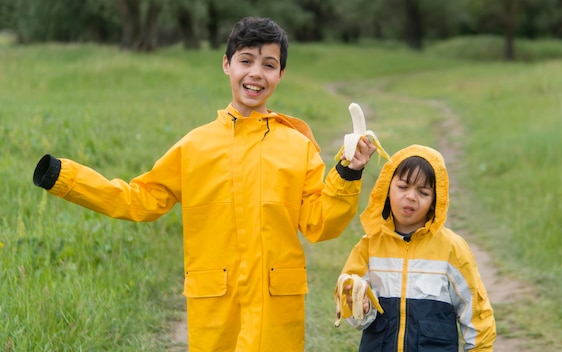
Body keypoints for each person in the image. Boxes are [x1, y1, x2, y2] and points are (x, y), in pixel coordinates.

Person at [32, 16, 379, 352]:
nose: (256, 73)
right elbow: (139, 200)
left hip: (275, 306)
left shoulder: (297, 147)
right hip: (215, 306)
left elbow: (320, 224)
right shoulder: (195, 146)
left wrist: (349, 172)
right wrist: (66, 178)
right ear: (227, 64)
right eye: (246, 61)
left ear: (281, 74)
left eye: (269, 65)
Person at [337, 144, 496, 351]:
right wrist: (361, 307)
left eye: (423, 192)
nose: (411, 196)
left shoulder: (452, 249)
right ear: (386, 189)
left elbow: (476, 314)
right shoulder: (368, 247)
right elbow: (357, 318)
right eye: (403, 187)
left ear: (434, 201)